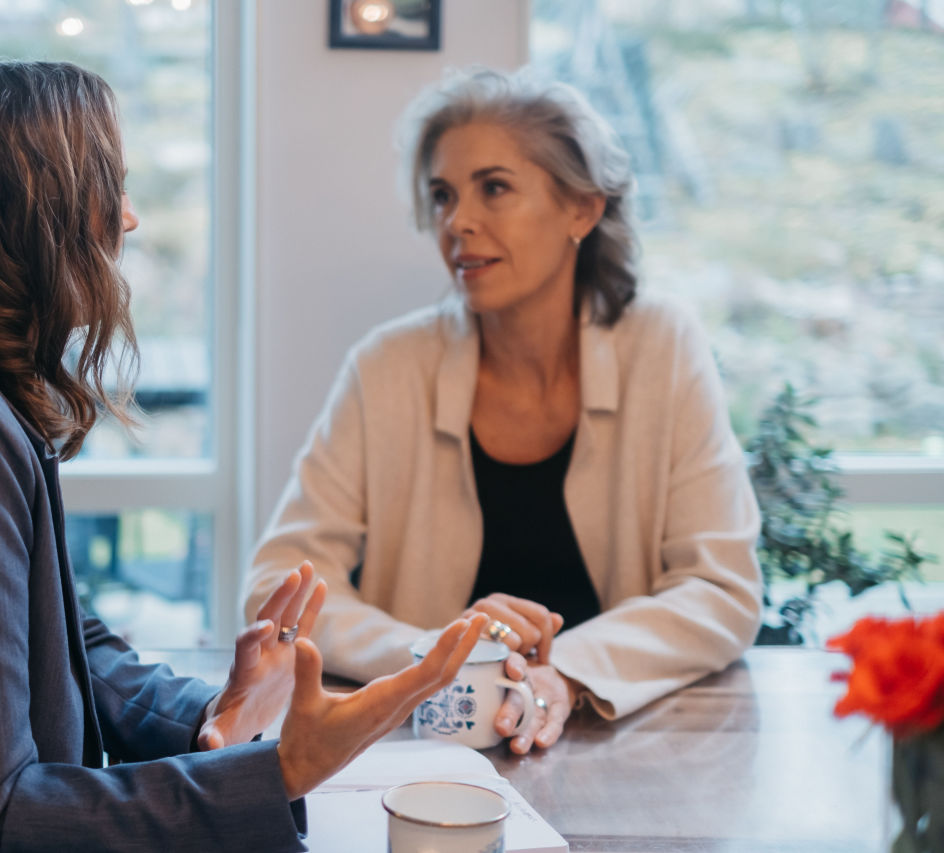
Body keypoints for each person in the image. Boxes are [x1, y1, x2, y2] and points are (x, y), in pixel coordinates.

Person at [0, 58, 489, 853]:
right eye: (108, 187)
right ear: (34, 213)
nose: (128, 220)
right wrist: (276, 773)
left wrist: (210, 710)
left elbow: (62, 641)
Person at [242, 66, 763, 755]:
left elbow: (720, 588)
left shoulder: (661, 345)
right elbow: (278, 590)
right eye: (441, 196)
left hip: (618, 741)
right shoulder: (387, 366)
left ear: (583, 208)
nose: (457, 221)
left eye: (494, 187)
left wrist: (567, 673)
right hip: (428, 754)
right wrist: (433, 656)